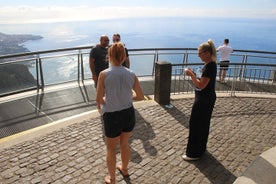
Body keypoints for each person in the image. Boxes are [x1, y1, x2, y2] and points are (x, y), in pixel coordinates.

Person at [96, 42, 145, 184]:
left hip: (112, 115)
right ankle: (124, 168)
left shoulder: (104, 74)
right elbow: (141, 96)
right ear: (124, 56)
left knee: (111, 148)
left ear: (109, 56)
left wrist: (107, 100)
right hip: (128, 114)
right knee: (125, 143)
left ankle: (112, 178)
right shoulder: (131, 74)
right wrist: (128, 97)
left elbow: (99, 99)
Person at [183, 39, 217, 161]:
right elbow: (202, 82)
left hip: (204, 100)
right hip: (205, 99)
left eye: (200, 53)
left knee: (196, 124)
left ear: (207, 52)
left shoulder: (210, 66)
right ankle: (200, 148)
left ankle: (194, 153)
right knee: (202, 124)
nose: (198, 55)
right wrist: (193, 73)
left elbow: (201, 85)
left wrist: (191, 75)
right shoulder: (209, 65)